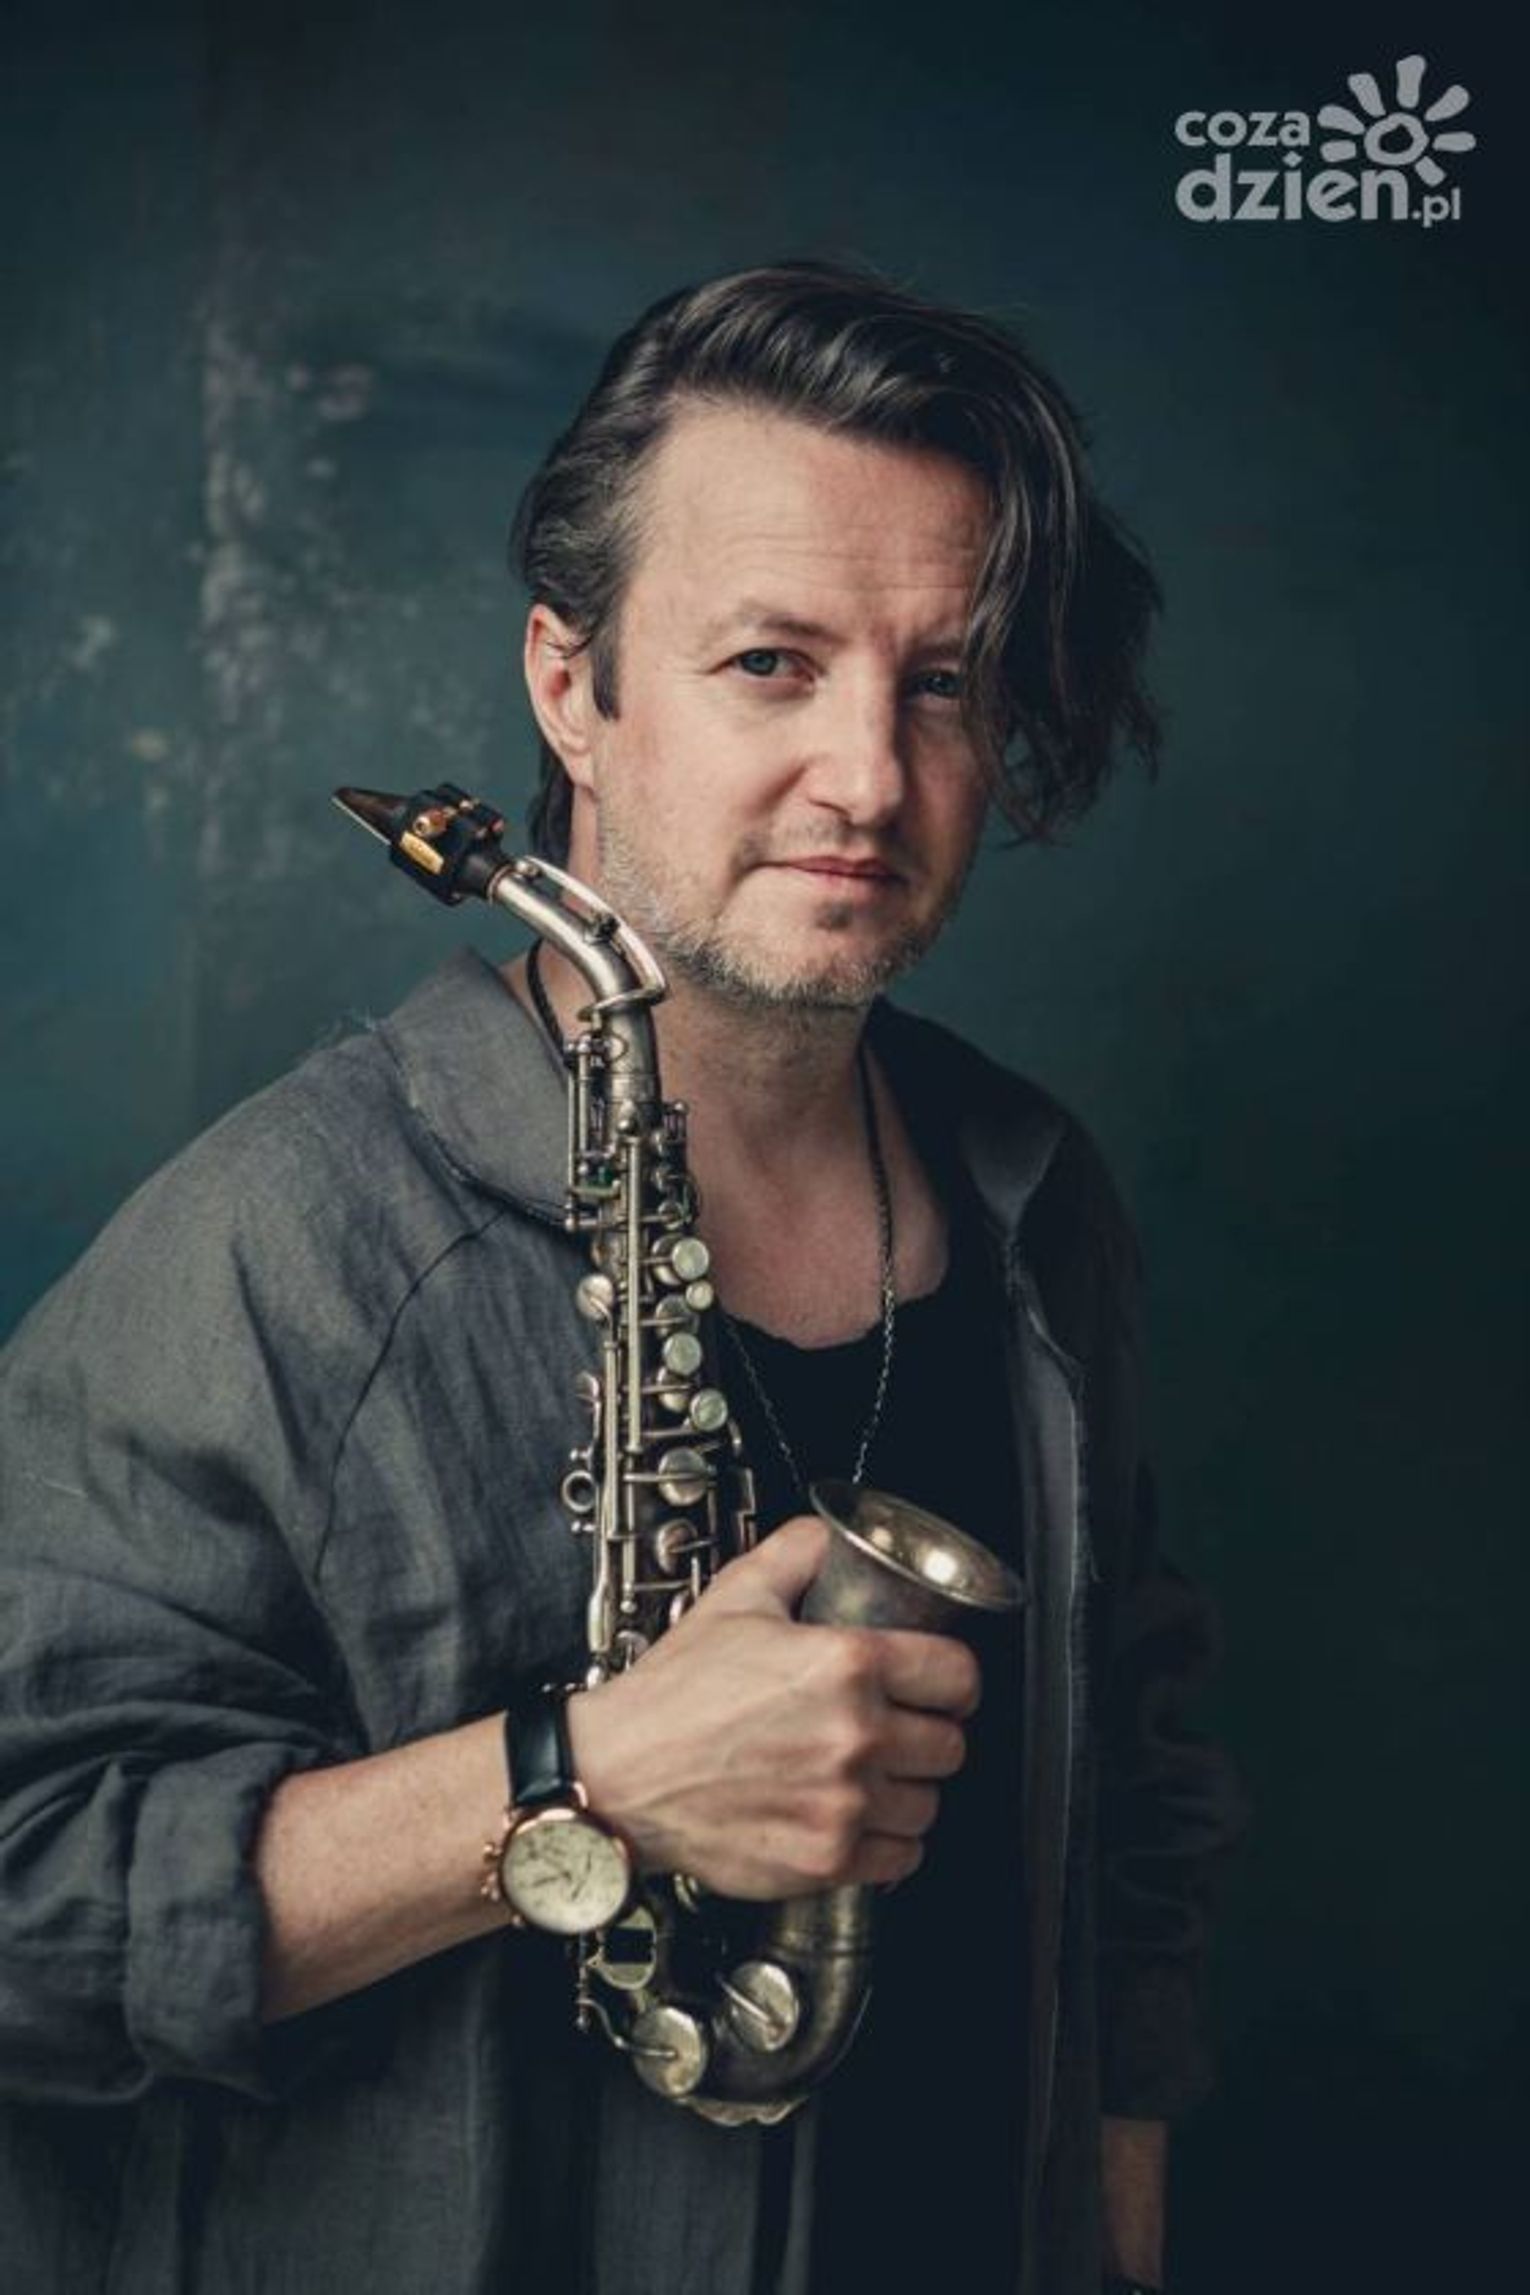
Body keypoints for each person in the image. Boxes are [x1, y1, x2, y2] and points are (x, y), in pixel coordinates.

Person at [0, 262, 1242, 2295]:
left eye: (941, 681)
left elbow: (1136, 1785)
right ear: (570, 686)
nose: (868, 775)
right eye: (771, 662)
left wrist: (1117, 2218)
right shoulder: (281, 1245)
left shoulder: (1036, 1194)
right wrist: (578, 1781)